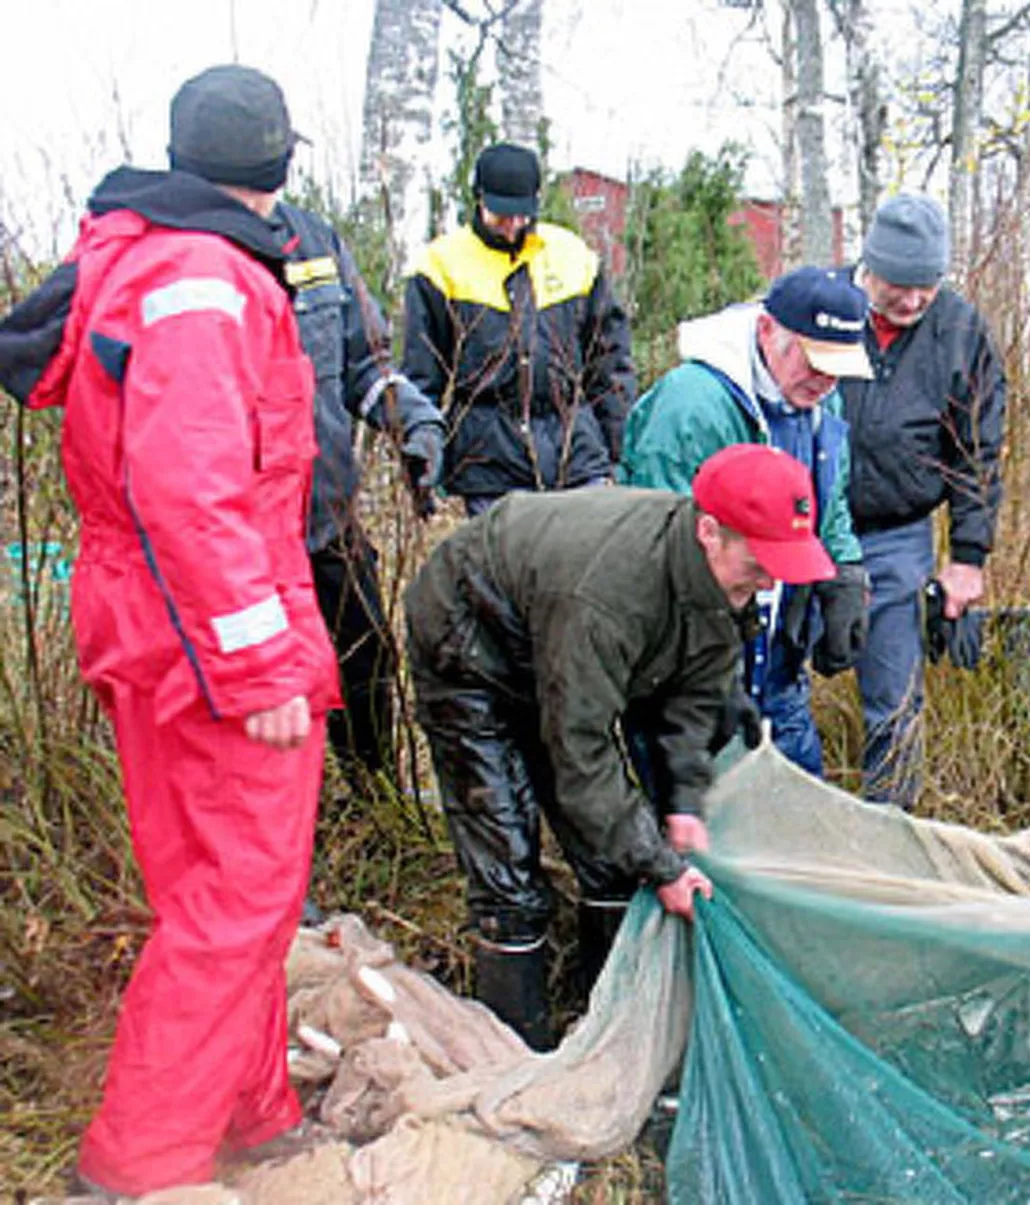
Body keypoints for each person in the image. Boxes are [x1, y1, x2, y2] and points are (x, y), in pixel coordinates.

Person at [0, 66, 339, 1197]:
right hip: (204, 630)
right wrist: (257, 664)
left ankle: (248, 1106)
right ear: (279, 164)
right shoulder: (206, 278)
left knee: (213, 890)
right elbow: (191, 489)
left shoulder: (143, 251)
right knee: (238, 897)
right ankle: (143, 1156)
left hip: (147, 615)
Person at [403, 443, 837, 1050]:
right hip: (470, 643)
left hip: (559, 647)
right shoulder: (609, 596)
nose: (770, 581)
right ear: (710, 531)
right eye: (761, 562)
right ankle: (515, 1052)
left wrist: (684, 804)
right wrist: (660, 865)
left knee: (612, 859)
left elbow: (695, 698)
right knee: (510, 873)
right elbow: (579, 751)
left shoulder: (720, 586)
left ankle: (609, 1029)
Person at [619, 265, 873, 774]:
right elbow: (660, 545)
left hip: (779, 663)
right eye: (813, 359)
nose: (826, 380)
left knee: (799, 818)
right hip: (693, 664)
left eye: (838, 366)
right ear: (766, 332)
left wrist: (844, 570)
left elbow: (829, 499)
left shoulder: (820, 400)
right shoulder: (692, 405)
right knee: (703, 829)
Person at [837, 194, 1006, 806]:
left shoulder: (961, 331)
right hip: (800, 531)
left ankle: (888, 836)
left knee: (895, 704)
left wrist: (969, 556)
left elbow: (978, 449)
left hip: (898, 534)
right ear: (868, 266)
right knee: (772, 690)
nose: (911, 302)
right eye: (898, 286)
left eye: (926, 286)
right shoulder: (825, 305)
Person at [272, 199, 446, 784]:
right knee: (267, 685)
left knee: (365, 659)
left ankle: (374, 803)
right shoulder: (189, 250)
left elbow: (364, 365)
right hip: (239, 539)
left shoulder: (314, 240)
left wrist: (415, 424)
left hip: (325, 516)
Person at [401, 141, 635, 513]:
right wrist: (422, 463)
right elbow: (419, 381)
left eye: (522, 215)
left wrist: (620, 453)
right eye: (500, 215)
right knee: (508, 571)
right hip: (488, 466)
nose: (512, 227)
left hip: (577, 459)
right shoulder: (439, 268)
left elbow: (610, 365)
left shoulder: (574, 257)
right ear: (478, 199)